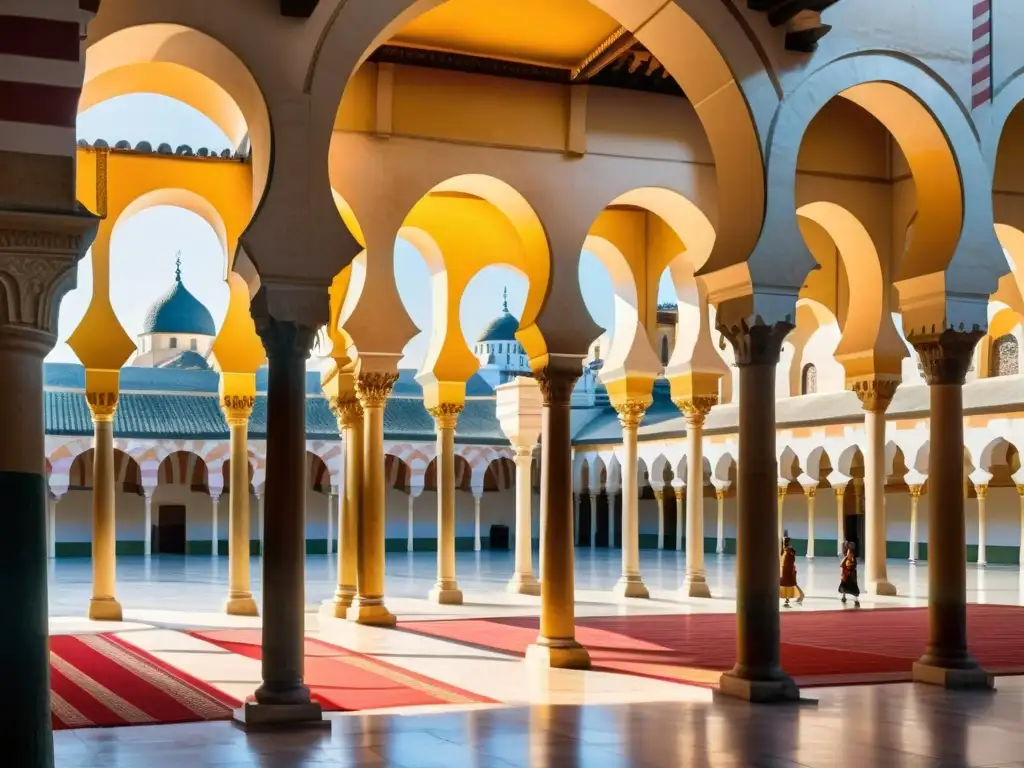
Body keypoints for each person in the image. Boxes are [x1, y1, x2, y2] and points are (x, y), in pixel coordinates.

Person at [779, 533, 802, 607]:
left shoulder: (789, 550)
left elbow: (789, 561)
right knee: (787, 584)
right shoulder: (787, 550)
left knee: (790, 584)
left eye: (784, 542)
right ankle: (788, 598)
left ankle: (800, 596)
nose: (783, 543)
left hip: (788, 570)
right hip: (786, 570)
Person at [839, 541, 861, 607]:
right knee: (844, 587)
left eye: (850, 553)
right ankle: (844, 597)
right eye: (848, 553)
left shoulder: (853, 560)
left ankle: (856, 600)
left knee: (854, 589)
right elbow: (841, 565)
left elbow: (853, 567)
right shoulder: (845, 559)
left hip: (852, 577)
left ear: (852, 554)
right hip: (845, 576)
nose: (849, 554)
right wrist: (845, 558)